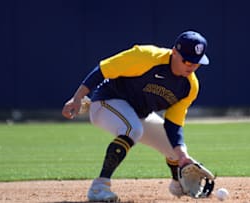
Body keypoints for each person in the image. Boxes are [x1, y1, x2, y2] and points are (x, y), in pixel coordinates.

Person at [62, 30, 210, 202]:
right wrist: (78, 97)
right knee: (132, 128)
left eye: (197, 63)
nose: (191, 67)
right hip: (106, 102)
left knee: (175, 149)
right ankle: (99, 187)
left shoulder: (190, 87)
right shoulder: (147, 56)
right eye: (187, 61)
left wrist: (183, 156)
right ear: (174, 53)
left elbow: (173, 124)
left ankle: (178, 185)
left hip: (138, 115)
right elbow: (104, 69)